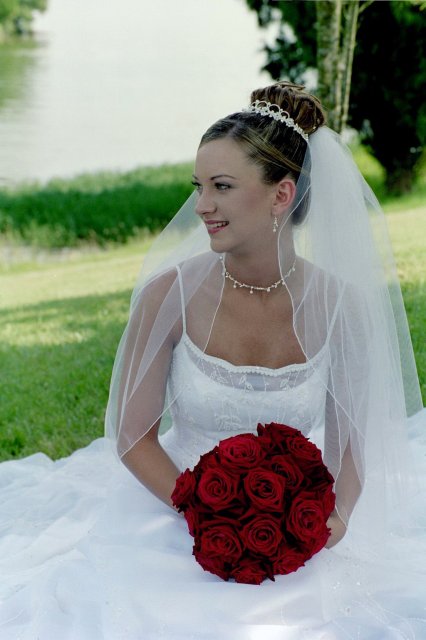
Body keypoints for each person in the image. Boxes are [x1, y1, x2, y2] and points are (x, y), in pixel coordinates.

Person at [1, 81, 425, 639]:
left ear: (281, 194)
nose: (202, 206)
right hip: (173, 510)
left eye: (221, 187)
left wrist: (328, 523)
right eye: (198, 187)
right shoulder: (169, 295)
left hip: (291, 527)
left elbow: (349, 447)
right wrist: (208, 514)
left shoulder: (339, 306)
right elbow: (132, 436)